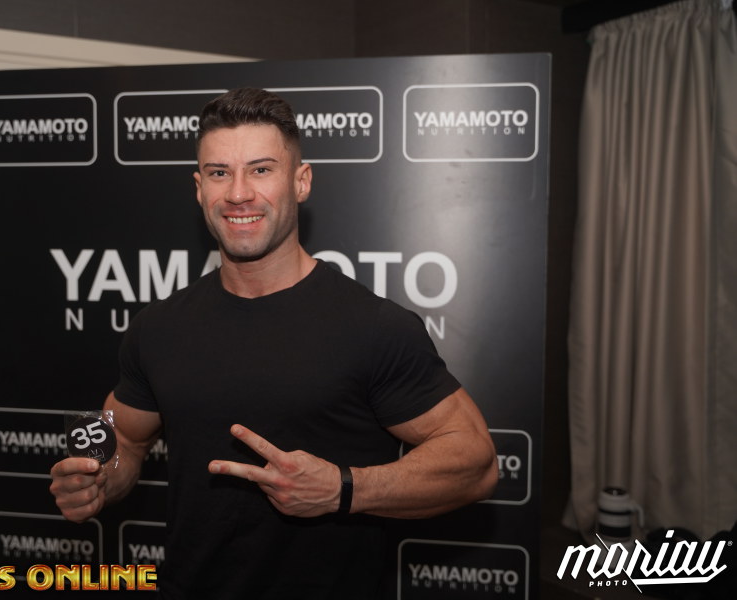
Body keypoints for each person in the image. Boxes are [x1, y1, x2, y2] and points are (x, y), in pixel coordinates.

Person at [50, 87, 498, 599]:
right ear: (199, 187)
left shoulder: (374, 327)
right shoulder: (159, 327)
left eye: (261, 170)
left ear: (300, 181)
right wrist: (98, 479)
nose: (238, 193)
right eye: (219, 173)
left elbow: (476, 463)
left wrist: (343, 489)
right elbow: (125, 441)